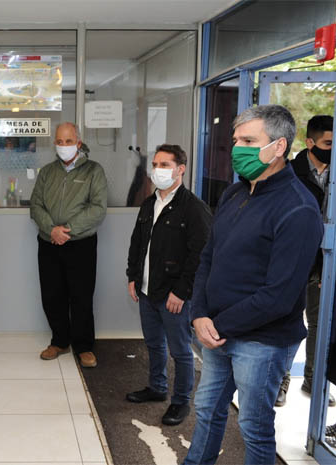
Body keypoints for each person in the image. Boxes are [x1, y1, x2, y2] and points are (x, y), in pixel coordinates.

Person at [184, 104, 323, 465]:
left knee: (253, 425)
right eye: (235, 140)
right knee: (207, 409)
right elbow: (208, 258)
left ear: (279, 147)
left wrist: (216, 325)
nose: (237, 149)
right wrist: (199, 314)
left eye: (248, 141)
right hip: (216, 331)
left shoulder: (298, 208)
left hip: (263, 341)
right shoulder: (234, 194)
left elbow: (279, 296)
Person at [126, 144, 212, 426]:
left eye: (165, 165)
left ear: (180, 169)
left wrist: (182, 291)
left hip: (174, 295)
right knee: (153, 343)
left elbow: (200, 256)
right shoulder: (149, 203)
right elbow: (137, 243)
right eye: (155, 164)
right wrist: (132, 276)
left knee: (181, 351)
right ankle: (157, 387)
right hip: (147, 290)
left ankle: (181, 402)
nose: (157, 170)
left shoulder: (194, 209)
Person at [30, 122, 108, 368]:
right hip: (49, 243)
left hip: (81, 245)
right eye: (60, 142)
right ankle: (60, 341)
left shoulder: (94, 171)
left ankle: (84, 346)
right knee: (52, 295)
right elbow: (35, 206)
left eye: (69, 141)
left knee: (81, 296)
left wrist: (68, 230)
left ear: (78, 142)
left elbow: (98, 208)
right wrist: (51, 229)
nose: (64, 146)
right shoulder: (47, 172)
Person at [276, 115, 335, 407]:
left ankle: (313, 378)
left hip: (325, 262)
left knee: (319, 323)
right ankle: (280, 380)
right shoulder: (290, 173)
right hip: (294, 259)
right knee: (286, 321)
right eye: (328, 143)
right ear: (310, 142)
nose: (333, 149)